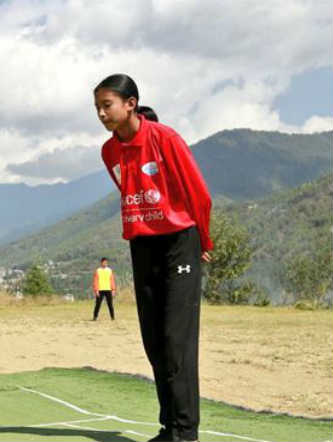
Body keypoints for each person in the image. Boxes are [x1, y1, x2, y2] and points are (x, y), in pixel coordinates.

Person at [94, 74, 213, 442]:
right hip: (143, 244)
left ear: (130, 103)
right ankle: (169, 428)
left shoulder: (166, 139)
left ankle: (185, 433)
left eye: (107, 105)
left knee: (177, 341)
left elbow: (198, 193)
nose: (101, 113)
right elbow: (127, 189)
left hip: (180, 240)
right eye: (96, 107)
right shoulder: (109, 151)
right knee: (155, 341)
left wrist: (203, 241)